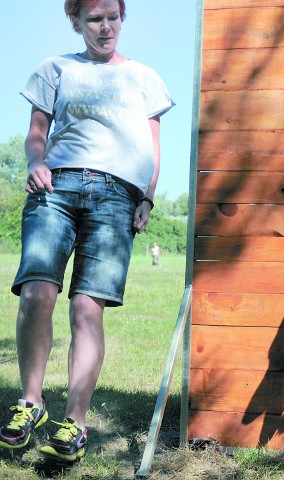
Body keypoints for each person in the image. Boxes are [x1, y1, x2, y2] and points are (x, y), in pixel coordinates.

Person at [0, 0, 173, 462]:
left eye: (112, 17)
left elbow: (152, 147)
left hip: (116, 197)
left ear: (123, 19)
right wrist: (35, 162)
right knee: (37, 293)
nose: (104, 27)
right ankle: (30, 403)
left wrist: (148, 196)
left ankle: (73, 423)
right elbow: (38, 131)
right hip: (55, 188)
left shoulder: (145, 78)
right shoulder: (54, 68)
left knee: (86, 308)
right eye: (94, 19)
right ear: (76, 23)